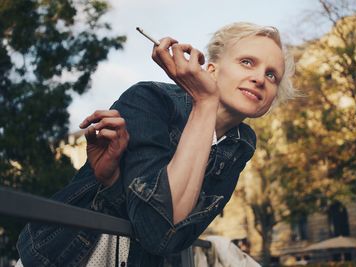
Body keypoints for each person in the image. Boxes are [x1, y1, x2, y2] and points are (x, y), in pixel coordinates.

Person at [16, 22, 296, 266]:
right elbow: (156, 228)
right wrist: (205, 103)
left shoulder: (241, 145)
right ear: (210, 69)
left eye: (272, 75)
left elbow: (173, 239)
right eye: (247, 62)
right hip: (60, 254)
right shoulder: (149, 99)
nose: (260, 78)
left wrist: (114, 183)